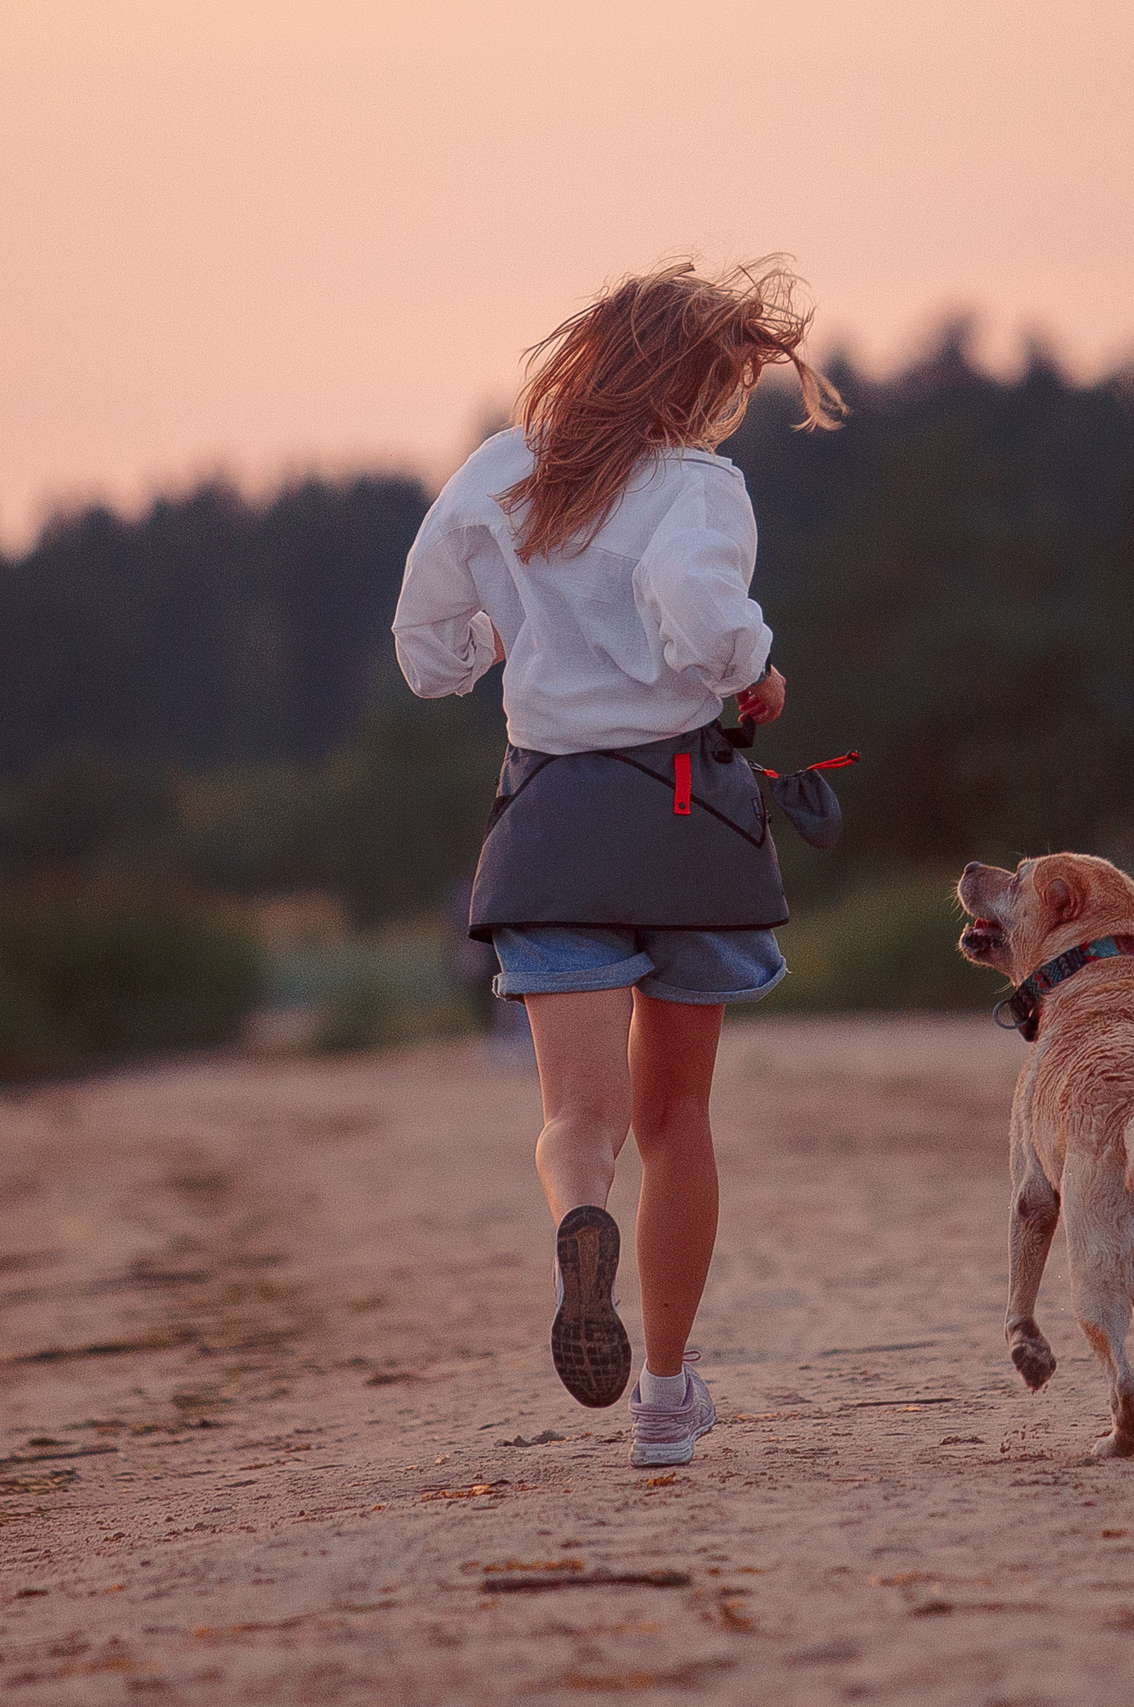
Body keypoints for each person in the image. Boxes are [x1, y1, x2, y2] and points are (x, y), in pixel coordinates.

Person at [391, 258, 844, 1467]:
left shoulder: (500, 470)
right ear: (697, 382)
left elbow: (426, 651)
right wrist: (754, 673)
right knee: (677, 1116)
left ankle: (578, 1216)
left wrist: (497, 637)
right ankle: (663, 1397)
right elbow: (692, 607)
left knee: (575, 1119)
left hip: (550, 818)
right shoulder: (698, 488)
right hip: (686, 812)